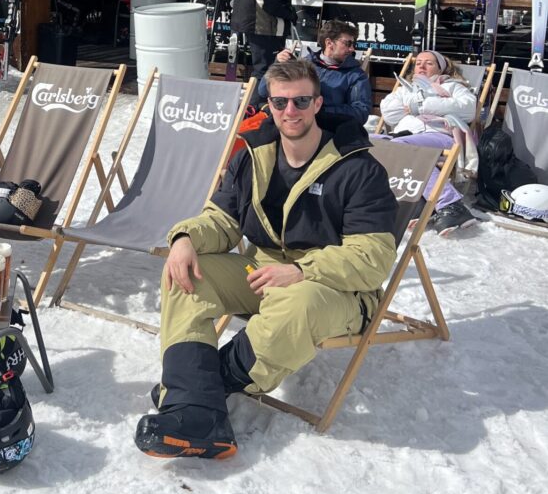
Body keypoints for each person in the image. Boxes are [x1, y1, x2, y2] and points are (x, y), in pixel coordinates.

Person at [134, 58, 398, 460]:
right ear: (269, 105)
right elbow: (223, 219)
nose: (289, 112)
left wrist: (301, 270)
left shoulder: (358, 169)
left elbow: (373, 258)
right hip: (262, 273)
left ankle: (196, 396)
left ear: (317, 103)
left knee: (300, 300)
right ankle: (196, 406)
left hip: (335, 290)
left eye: (299, 102)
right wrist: (186, 236)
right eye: (279, 103)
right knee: (185, 274)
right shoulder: (254, 155)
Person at [378, 50, 477, 234]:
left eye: (429, 63)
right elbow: (389, 114)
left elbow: (469, 108)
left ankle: (451, 204)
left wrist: (423, 105)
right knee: (368, 142)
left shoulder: (452, 87)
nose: (421, 66)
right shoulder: (405, 88)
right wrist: (414, 104)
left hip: (439, 136)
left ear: (441, 68)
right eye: (418, 63)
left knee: (405, 148)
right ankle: (420, 204)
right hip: (405, 136)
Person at [260, 19, 371, 126]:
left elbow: (361, 112)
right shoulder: (304, 64)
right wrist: (277, 66)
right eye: (348, 43)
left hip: (328, 129)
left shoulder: (355, 75)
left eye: (353, 44)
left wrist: (319, 110)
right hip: (292, 124)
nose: (352, 49)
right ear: (329, 43)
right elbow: (263, 91)